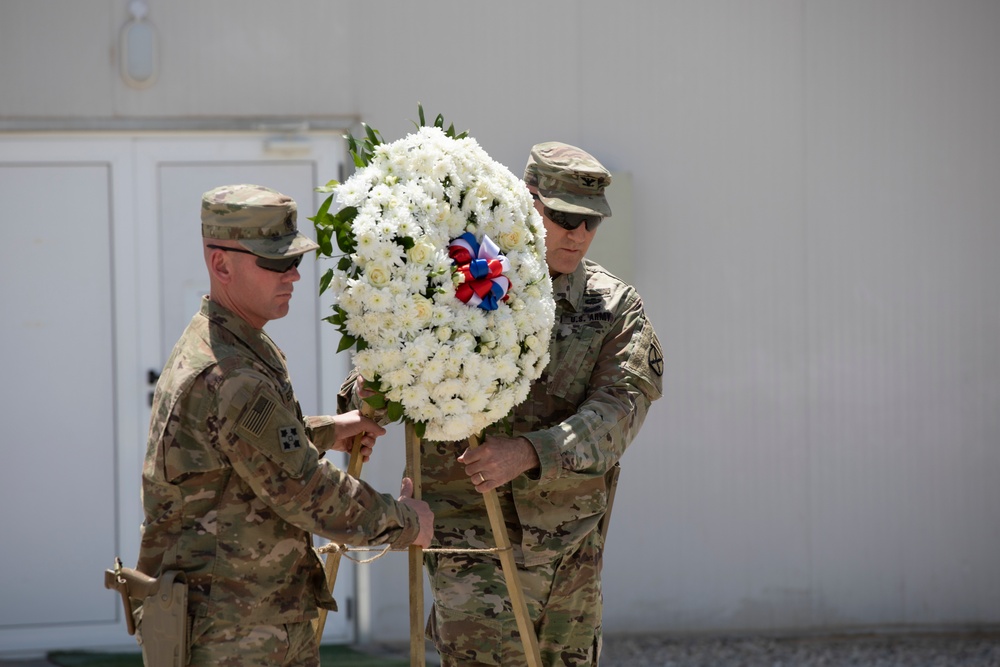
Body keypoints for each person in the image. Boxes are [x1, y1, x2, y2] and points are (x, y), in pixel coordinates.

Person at [340, 143, 663, 666]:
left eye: (590, 224)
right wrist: (380, 396)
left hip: (565, 549)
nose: (577, 235)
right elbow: (378, 382)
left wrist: (532, 451)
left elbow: (619, 412)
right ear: (528, 203)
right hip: (468, 535)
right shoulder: (456, 277)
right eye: (563, 218)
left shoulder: (613, 307)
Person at [137, 184, 434, 667]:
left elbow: (247, 446)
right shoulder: (230, 372)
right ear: (221, 265)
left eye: (294, 260)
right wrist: (405, 522)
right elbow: (306, 490)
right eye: (276, 262)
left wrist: (326, 430)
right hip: (234, 634)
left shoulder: (233, 344)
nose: (294, 274)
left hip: (253, 618)